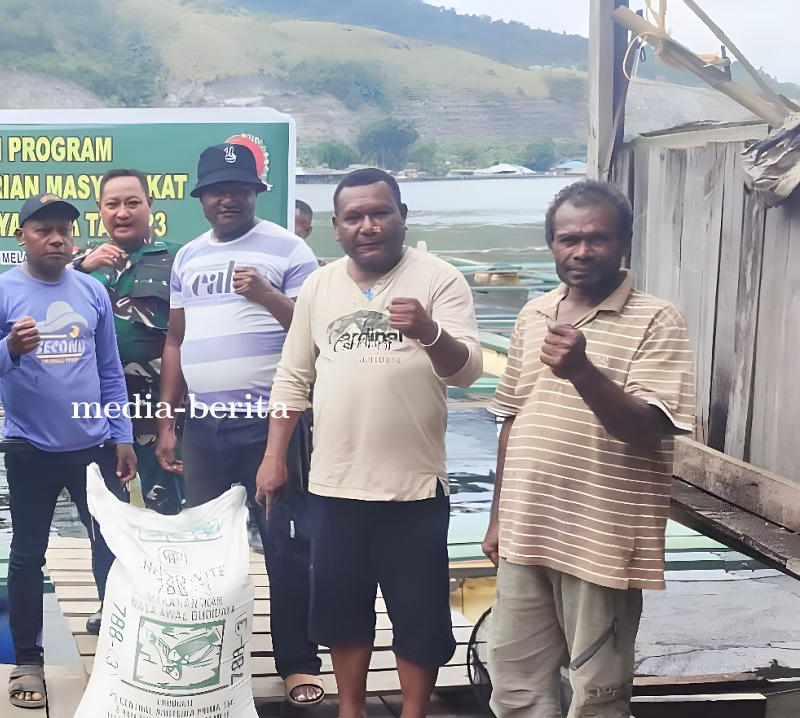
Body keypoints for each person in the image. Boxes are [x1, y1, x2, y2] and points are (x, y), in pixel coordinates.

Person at [258, 169, 483, 718]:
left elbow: (468, 372)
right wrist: (272, 458)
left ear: (401, 215)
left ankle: (412, 711)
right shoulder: (319, 284)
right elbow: (293, 376)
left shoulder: (439, 278)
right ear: (336, 227)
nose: (368, 225)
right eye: (353, 217)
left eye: (379, 212)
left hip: (414, 486)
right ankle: (351, 709)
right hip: (334, 483)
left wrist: (430, 331)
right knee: (341, 612)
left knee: (420, 616)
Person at [482, 180, 695, 718]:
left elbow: (648, 430)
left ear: (624, 241)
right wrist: (497, 518)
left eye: (597, 238)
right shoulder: (534, 313)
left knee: (596, 695)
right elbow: (511, 419)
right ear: (551, 243)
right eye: (567, 239)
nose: (581, 251)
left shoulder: (657, 318)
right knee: (514, 687)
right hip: (527, 530)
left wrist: (581, 371)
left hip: (601, 537)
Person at [155, 142, 325, 708]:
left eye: (239, 188)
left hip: (270, 424)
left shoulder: (290, 248)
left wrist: (266, 294)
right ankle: (208, 660)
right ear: (202, 198)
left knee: (285, 544)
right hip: (204, 425)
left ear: (256, 193)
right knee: (207, 546)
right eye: (216, 190)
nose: (228, 198)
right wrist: (168, 421)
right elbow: (176, 340)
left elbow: (315, 332)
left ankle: (297, 662)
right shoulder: (187, 257)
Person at [0, 192, 137, 709]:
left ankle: (116, 646)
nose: (57, 238)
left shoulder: (91, 291)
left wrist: (122, 435)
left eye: (64, 229)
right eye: (43, 230)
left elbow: (109, 370)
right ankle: (27, 661)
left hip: (95, 445)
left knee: (111, 547)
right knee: (27, 554)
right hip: (30, 448)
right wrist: (8, 350)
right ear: (22, 237)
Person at [71, 168, 184, 518]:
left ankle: (169, 572)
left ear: (150, 204)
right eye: (112, 204)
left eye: (133, 203)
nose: (122, 212)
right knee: (103, 513)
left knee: (166, 508)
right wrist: (79, 268)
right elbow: (39, 301)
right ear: (99, 210)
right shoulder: (78, 265)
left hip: (158, 409)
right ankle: (114, 574)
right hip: (96, 412)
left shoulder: (180, 258)